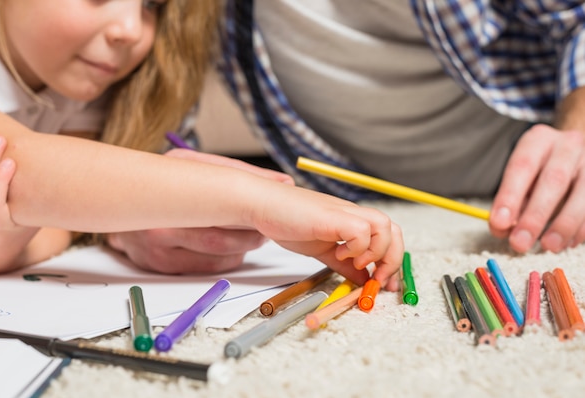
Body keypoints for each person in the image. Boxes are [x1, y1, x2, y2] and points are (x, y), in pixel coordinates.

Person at [107, 0, 585, 276]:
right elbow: (151, 124)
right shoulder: (189, 15)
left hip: (537, 158)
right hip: (364, 198)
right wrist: (135, 200)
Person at [0, 0, 404, 289]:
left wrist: (1, 248)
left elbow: (56, 221)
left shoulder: (73, 88)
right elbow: (21, 167)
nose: (131, 30)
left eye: (151, 5)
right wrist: (258, 202)